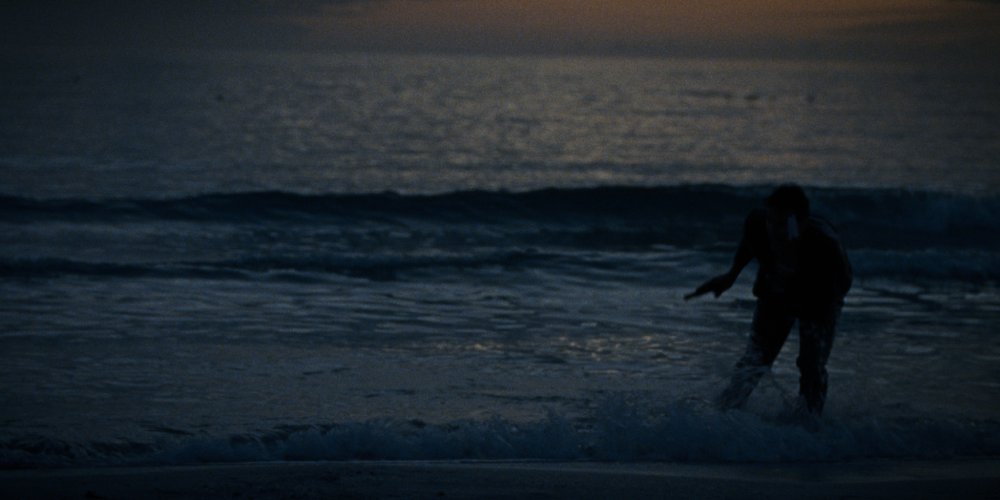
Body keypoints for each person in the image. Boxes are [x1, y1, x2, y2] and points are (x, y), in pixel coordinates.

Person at [686, 184, 852, 416]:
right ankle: (724, 413)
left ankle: (809, 424)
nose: (775, 231)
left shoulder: (825, 246)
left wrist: (796, 263)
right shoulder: (759, 224)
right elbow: (750, 243)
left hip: (820, 297)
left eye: (783, 224)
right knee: (755, 360)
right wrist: (731, 275)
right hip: (776, 290)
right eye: (771, 222)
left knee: (811, 365)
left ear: (802, 223)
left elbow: (841, 286)